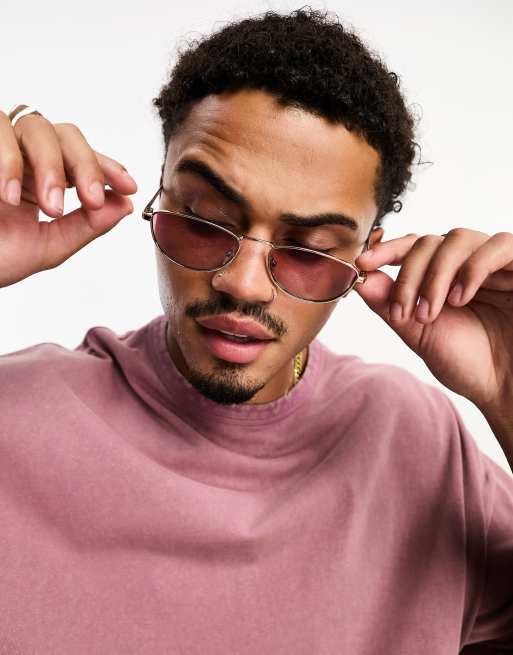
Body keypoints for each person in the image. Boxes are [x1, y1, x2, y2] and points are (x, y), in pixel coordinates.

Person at [1, 8, 512, 654]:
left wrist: (508, 394)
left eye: (309, 250)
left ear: (365, 255)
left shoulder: (418, 442)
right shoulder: (15, 417)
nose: (243, 284)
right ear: (158, 197)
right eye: (205, 219)